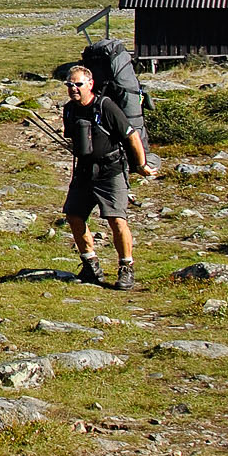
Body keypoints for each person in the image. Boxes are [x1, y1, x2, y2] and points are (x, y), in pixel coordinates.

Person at [60, 63, 158, 288]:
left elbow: (131, 136)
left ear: (90, 84)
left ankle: (126, 268)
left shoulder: (106, 106)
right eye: (69, 84)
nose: (73, 88)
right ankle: (90, 265)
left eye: (78, 84)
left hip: (111, 171)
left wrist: (141, 164)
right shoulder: (69, 109)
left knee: (116, 220)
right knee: (74, 216)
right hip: (84, 171)